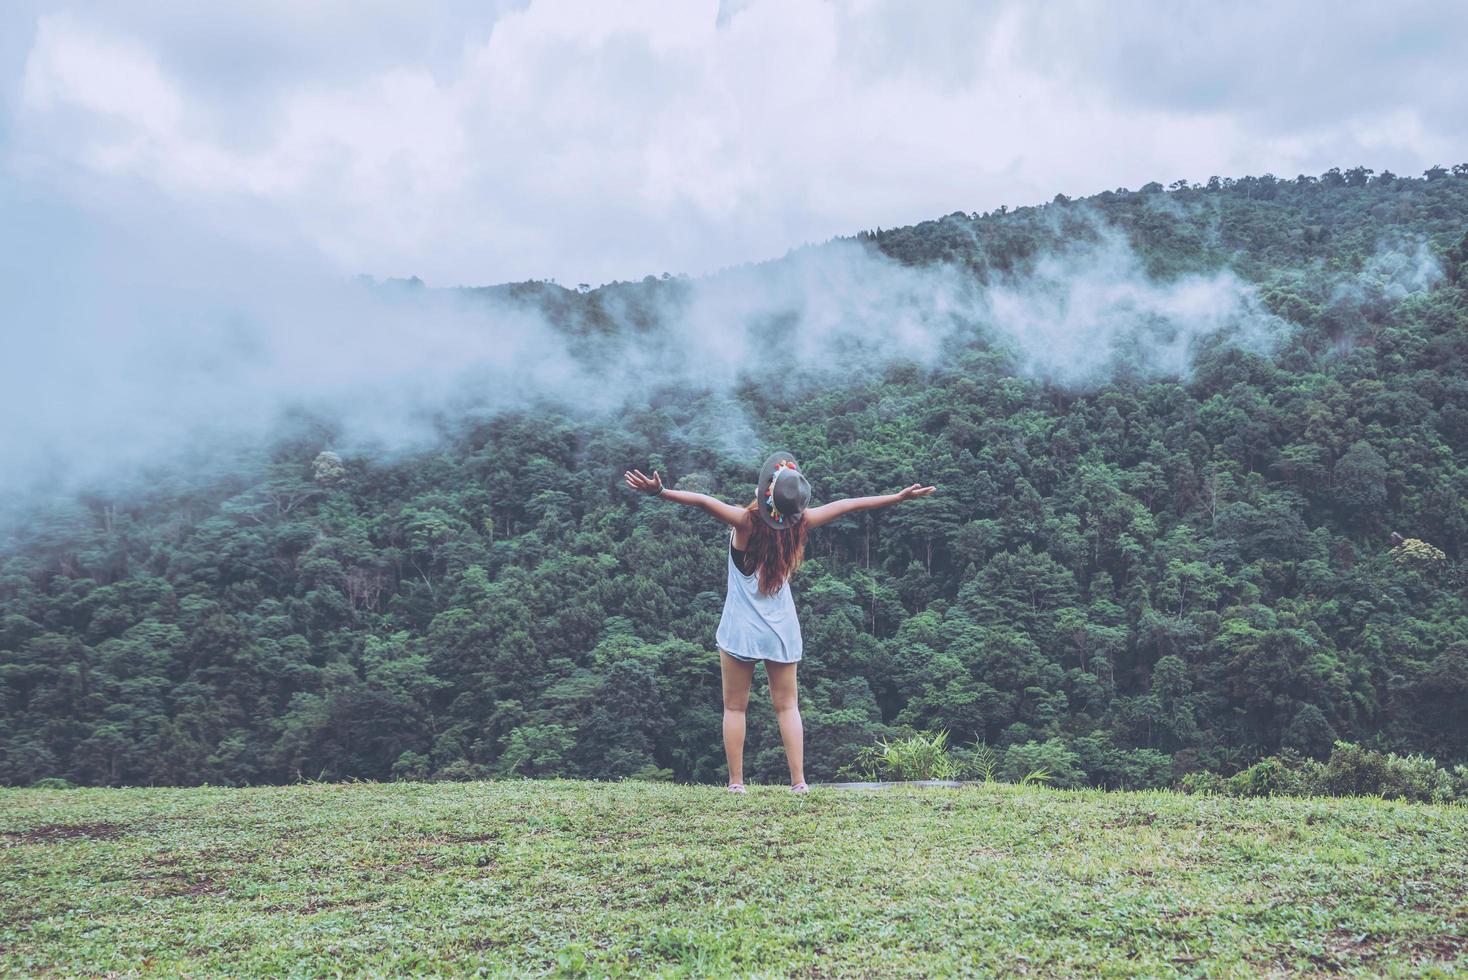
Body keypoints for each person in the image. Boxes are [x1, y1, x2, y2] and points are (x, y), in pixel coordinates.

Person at [624, 451, 935, 793]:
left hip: (741, 630)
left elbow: (702, 501)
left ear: (765, 493)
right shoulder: (802, 524)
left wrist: (660, 492)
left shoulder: (746, 522)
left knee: (734, 707)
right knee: (788, 706)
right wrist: (897, 497)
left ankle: (736, 783)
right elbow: (849, 504)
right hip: (781, 630)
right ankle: (799, 782)